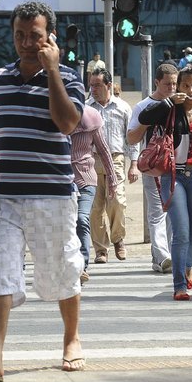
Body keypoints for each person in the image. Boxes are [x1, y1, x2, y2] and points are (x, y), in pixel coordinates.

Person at [0, 1, 86, 382]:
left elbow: (66, 123)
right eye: (20, 35)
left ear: (51, 38)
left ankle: (72, 338)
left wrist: (52, 73)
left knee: (62, 268)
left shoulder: (70, 78)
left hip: (53, 196)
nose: (27, 42)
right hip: (3, 197)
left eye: (35, 35)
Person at [139, 65, 192, 301]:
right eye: (185, 85)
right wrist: (168, 102)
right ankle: (179, 285)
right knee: (181, 233)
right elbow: (145, 118)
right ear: (178, 86)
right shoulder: (169, 109)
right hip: (173, 176)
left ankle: (186, 265)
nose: (190, 90)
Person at [126, 63, 178, 273]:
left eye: (174, 84)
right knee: (157, 212)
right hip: (153, 165)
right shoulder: (142, 106)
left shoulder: (178, 103)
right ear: (157, 82)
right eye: (167, 84)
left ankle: (163, 256)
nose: (172, 88)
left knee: (173, 212)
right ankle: (163, 256)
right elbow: (131, 138)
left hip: (175, 166)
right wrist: (148, 120)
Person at [87, 67, 139, 264]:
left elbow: (132, 138)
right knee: (95, 207)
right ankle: (101, 249)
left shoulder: (123, 107)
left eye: (98, 85)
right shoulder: (86, 107)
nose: (93, 89)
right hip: (91, 161)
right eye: (91, 85)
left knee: (116, 201)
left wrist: (134, 163)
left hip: (115, 159)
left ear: (108, 85)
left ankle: (118, 239)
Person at [71, 100, 117, 283]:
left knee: (81, 218)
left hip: (85, 178)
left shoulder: (90, 118)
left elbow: (104, 151)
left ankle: (82, 266)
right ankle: (68, 265)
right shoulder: (52, 116)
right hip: (60, 180)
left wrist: (112, 179)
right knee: (64, 225)